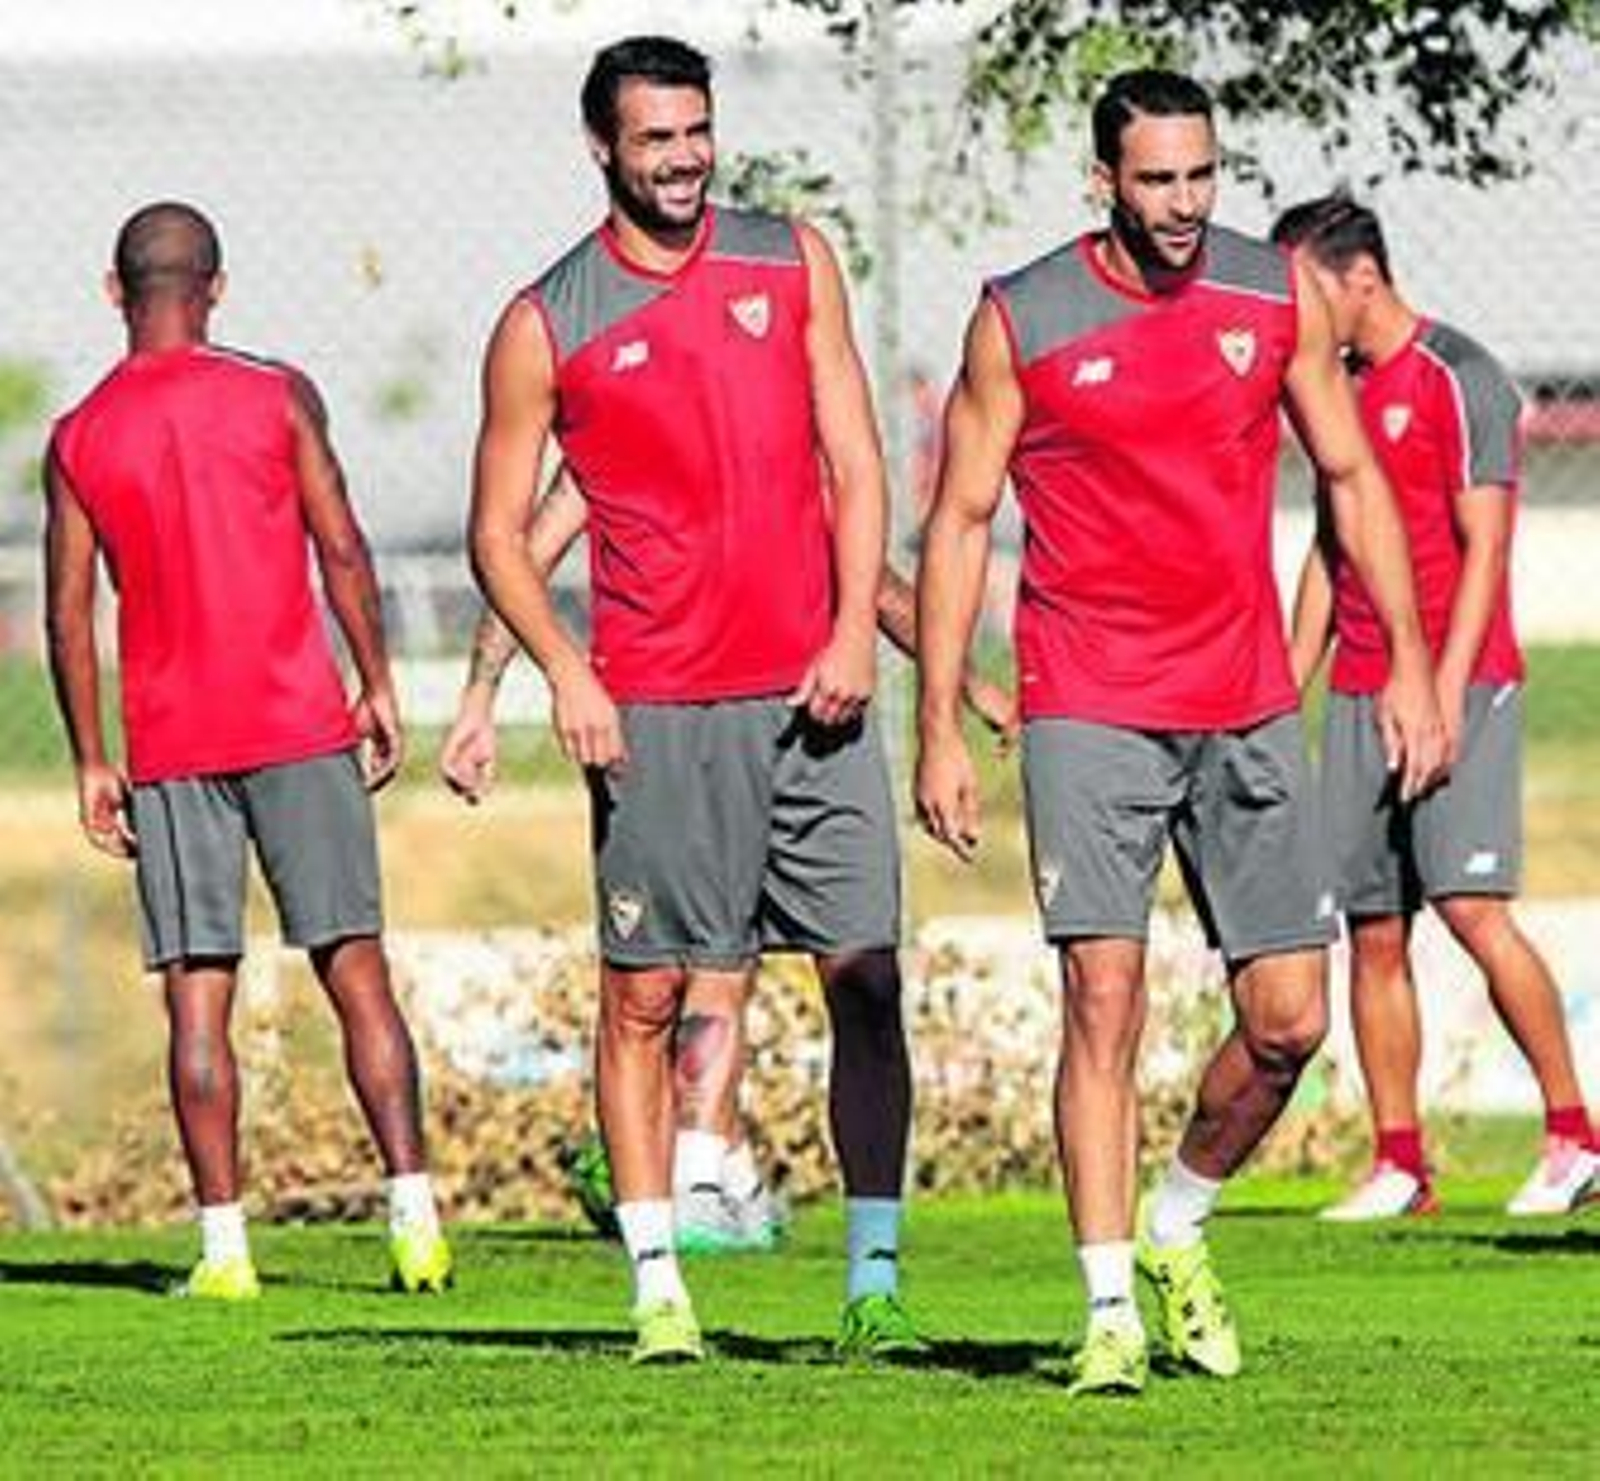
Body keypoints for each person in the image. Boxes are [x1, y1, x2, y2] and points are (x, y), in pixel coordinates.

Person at [914, 70, 1447, 1396]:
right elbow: (962, 521)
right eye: (1156, 180)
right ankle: (1106, 1310)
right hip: (1087, 697)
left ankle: (1175, 1228)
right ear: (1103, 181)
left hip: (1248, 695)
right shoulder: (1022, 316)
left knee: (1287, 1022)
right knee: (1104, 995)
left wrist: (1415, 667)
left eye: (1201, 176)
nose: (1183, 204)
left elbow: (1349, 476)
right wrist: (936, 715)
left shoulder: (1276, 294)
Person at [468, 36, 920, 1364]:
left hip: (814, 694)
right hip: (657, 713)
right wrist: (567, 671)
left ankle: (875, 1279)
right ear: (602, 147)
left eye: (696, 132)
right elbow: (501, 534)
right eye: (654, 138)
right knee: (644, 995)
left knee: (870, 981)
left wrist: (854, 634)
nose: (681, 159)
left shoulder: (792, 260)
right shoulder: (546, 319)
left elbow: (854, 455)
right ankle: (660, 1288)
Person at [442, 469, 1017, 1253]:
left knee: (843, 975)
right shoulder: (614, 418)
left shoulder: (780, 417)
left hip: (799, 722)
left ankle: (732, 1178)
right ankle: (699, 1174)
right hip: (668, 723)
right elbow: (521, 553)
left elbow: (873, 583)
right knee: (693, 963)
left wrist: (967, 688)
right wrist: (480, 695)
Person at [43, 201, 451, 1301]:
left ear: (113, 289)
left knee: (196, 998)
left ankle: (225, 1251)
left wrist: (92, 757)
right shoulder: (276, 393)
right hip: (298, 722)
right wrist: (374, 681)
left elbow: (69, 616)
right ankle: (414, 1218)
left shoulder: (80, 435)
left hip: (173, 745)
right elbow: (345, 548)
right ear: (215, 286)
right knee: (356, 973)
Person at [1271, 194, 1598, 1222]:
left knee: (1469, 908)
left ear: (1357, 279)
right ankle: (1400, 1161)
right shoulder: (1328, 394)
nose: (1290, 315)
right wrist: (1285, 688)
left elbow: (1488, 551)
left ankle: (1572, 1133)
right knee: (1371, 929)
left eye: (1302, 292)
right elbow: (1332, 551)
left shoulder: (1460, 379)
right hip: (1360, 693)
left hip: (1462, 685)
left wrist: (1446, 696)